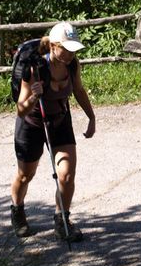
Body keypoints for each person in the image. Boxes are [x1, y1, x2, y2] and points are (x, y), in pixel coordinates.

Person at [10, 21, 96, 241]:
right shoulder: (35, 68)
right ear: (53, 46)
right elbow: (21, 110)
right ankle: (17, 211)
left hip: (59, 120)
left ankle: (62, 220)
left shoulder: (72, 64)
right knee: (26, 174)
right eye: (66, 49)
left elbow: (78, 90)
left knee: (66, 175)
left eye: (72, 49)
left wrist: (91, 117)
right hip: (32, 123)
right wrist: (34, 96)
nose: (70, 53)